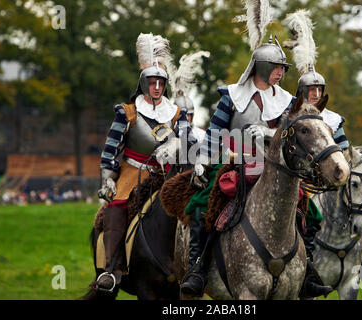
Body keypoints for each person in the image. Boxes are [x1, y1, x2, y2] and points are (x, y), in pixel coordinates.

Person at [180, 35, 296, 297]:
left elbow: (290, 136)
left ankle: (306, 270)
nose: (281, 73)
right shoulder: (231, 96)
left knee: (308, 209)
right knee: (201, 204)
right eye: (277, 67)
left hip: (272, 165)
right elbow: (214, 132)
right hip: (234, 160)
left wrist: (267, 134)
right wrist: (202, 161)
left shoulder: (287, 101)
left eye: (283, 69)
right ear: (262, 68)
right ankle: (197, 269)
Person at [92, 33, 195, 292]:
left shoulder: (176, 113)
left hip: (167, 173)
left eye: (161, 82)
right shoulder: (126, 113)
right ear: (144, 83)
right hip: (131, 171)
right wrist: (107, 178)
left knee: (198, 206)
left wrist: (176, 144)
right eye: (152, 82)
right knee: (116, 206)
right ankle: (111, 270)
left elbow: (187, 138)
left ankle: (200, 269)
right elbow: (110, 149)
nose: (157, 87)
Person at [296, 70, 362, 283]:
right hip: (301, 178)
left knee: (355, 205)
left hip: (329, 181)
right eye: (312, 90)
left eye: (320, 90)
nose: (317, 94)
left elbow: (345, 151)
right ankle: (303, 261)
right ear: (302, 91)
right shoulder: (292, 114)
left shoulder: (332, 119)